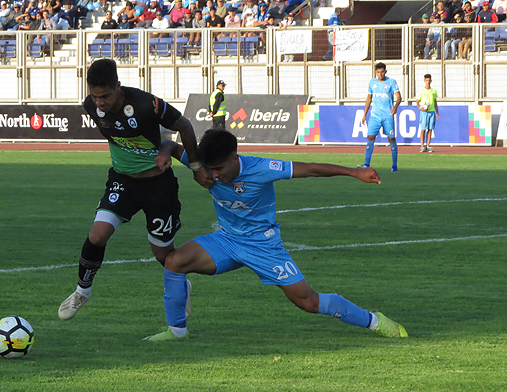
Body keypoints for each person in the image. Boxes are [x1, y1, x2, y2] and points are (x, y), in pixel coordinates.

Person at [142, 128, 409, 341]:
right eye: (209, 169)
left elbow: (312, 169)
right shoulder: (204, 167)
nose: (213, 176)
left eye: (219, 169)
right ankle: (176, 333)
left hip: (263, 245)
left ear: (235, 158)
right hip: (226, 240)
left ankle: (375, 321)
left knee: (308, 301)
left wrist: (354, 172)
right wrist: (166, 153)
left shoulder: (262, 168)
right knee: (174, 262)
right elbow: (173, 146)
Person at [57, 58, 210, 321]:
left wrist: (194, 165)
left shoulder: (145, 104)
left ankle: (180, 285)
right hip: (123, 181)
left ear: (118, 86)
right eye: (94, 96)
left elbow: (183, 125)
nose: (99, 103)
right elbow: (122, 138)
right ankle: (82, 291)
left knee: (164, 256)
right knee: (97, 235)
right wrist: (156, 148)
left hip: (159, 186)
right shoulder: (91, 106)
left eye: (104, 96)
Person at [359, 62, 402, 172]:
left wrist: (395, 107)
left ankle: (394, 165)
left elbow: (398, 96)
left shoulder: (391, 82)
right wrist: (364, 114)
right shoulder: (372, 83)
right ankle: (366, 164)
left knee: (391, 138)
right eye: (378, 72)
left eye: (382, 72)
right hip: (375, 115)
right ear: (375, 72)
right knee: (370, 137)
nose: (380, 74)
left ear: (385, 72)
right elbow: (369, 98)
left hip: (388, 115)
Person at [417, 73, 439, 153]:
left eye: (429, 80)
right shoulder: (422, 91)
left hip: (432, 112)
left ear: (431, 81)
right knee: (423, 129)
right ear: (424, 81)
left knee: (430, 129)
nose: (428, 82)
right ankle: (422, 145)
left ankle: (428, 145)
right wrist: (420, 108)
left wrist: (437, 112)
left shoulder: (433, 91)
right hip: (424, 113)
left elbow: (435, 102)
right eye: (426, 80)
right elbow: (418, 101)